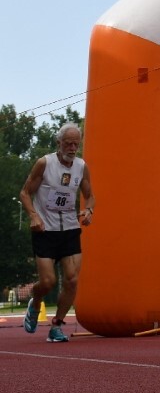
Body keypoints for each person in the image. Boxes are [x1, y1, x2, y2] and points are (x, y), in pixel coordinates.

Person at [20, 123, 95, 342]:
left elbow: (90, 195)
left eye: (76, 144)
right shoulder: (44, 163)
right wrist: (33, 215)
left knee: (72, 280)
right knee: (47, 282)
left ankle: (57, 326)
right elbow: (25, 193)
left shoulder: (81, 166)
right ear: (58, 143)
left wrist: (89, 209)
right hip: (46, 229)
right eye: (68, 144)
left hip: (70, 228)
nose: (72, 148)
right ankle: (35, 303)